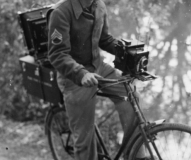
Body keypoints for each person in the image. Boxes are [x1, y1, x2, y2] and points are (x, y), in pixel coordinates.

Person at [48, 0, 148, 159]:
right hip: (74, 78)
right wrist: (81, 74)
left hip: (98, 67)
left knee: (131, 96)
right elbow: (57, 55)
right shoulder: (61, 12)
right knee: (84, 139)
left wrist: (128, 52)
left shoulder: (99, 5)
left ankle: (136, 155)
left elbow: (104, 39)